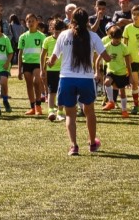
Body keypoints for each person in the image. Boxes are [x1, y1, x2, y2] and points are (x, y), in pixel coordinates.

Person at [47, 8, 110, 156]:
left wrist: (48, 63)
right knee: (90, 113)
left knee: (70, 115)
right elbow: (106, 58)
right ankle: (93, 143)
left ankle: (74, 146)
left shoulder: (63, 35)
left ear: (72, 20)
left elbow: (53, 59)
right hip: (86, 79)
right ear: (87, 21)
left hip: (67, 79)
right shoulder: (93, 36)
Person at [18, 13, 46, 116]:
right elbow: (20, 53)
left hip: (37, 63)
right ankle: (32, 107)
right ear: (26, 23)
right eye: (28, 21)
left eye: (32, 21)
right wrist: (19, 69)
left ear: (37, 22)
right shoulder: (23, 37)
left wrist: (44, 67)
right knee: (29, 84)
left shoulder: (42, 36)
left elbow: (45, 52)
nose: (30, 23)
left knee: (36, 82)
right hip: (26, 63)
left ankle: (38, 106)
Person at [100, 25, 130, 117]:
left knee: (122, 92)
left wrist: (130, 74)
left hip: (121, 72)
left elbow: (128, 62)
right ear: (111, 37)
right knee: (107, 82)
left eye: (119, 38)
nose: (118, 40)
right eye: (116, 38)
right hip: (111, 71)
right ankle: (111, 101)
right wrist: (97, 69)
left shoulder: (124, 47)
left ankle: (124, 110)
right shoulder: (107, 46)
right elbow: (98, 58)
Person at [123, 5, 139, 114]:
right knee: (134, 83)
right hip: (132, 60)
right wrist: (126, 58)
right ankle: (136, 105)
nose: (135, 16)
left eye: (138, 14)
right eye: (134, 14)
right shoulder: (128, 28)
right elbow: (124, 45)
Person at [40, 19, 66, 121]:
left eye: (60, 31)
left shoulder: (66, 40)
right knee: (52, 91)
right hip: (51, 70)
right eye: (56, 31)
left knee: (62, 91)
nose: (58, 33)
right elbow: (42, 56)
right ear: (51, 29)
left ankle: (60, 111)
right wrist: (42, 69)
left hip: (64, 70)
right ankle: (51, 110)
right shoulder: (47, 40)